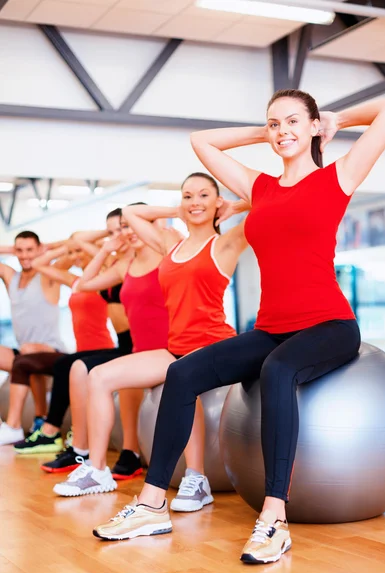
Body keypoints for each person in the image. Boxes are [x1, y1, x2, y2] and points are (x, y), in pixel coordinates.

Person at [92, 91, 385, 564]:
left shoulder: (338, 176)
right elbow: (202, 142)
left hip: (330, 324)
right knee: (182, 374)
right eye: (274, 124)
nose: (282, 132)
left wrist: (332, 120)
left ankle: (274, 518)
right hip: (272, 326)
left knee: (278, 371)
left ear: (313, 126)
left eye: (292, 122)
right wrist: (267, 132)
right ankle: (153, 503)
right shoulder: (260, 187)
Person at [53, 173, 248, 507]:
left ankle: (197, 479)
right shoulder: (170, 246)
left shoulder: (226, 243)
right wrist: (181, 207)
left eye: (203, 195)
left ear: (217, 202)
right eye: (188, 196)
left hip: (213, 343)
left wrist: (234, 205)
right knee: (98, 376)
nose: (194, 202)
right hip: (174, 347)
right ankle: (97, 470)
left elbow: (270, 199)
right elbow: (130, 214)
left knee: (185, 378)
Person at [37, 205, 168, 478]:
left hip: (155, 342)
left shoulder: (163, 251)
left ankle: (128, 450)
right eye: (114, 229)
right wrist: (108, 244)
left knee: (87, 369)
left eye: (126, 226)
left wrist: (146, 221)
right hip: (131, 342)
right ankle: (82, 451)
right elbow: (83, 276)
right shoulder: (120, 263)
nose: (122, 234)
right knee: (75, 368)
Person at [13, 211, 135, 459]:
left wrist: (105, 240)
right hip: (84, 348)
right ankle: (62, 434)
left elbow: (81, 241)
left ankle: (55, 431)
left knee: (64, 366)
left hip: (105, 344)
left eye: (82, 252)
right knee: (64, 366)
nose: (78, 255)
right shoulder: (81, 281)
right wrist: (63, 248)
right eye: (75, 254)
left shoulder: (108, 276)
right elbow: (40, 262)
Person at [0, 231, 65, 445]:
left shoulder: (47, 275)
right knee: (25, 353)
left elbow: (73, 246)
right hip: (24, 351)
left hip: (53, 351)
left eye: (30, 249)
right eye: (20, 250)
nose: (25, 255)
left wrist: (46, 247)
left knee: (28, 353)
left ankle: (25, 422)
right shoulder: (12, 277)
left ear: (39, 249)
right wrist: (11, 250)